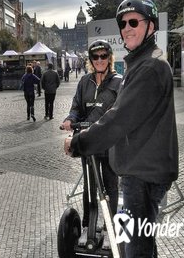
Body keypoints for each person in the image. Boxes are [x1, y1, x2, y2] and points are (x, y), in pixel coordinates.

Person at [64, 0, 179, 258]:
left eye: (133, 22)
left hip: (143, 176)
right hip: (138, 171)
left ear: (150, 26)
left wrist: (78, 142)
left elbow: (119, 118)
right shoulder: (142, 63)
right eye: (122, 23)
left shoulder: (149, 67)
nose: (126, 28)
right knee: (140, 246)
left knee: (133, 250)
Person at [61, 40, 122, 249]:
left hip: (110, 144)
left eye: (103, 56)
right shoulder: (85, 81)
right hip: (88, 141)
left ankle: (108, 228)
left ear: (109, 58)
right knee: (89, 186)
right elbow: (77, 106)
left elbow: (121, 112)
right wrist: (70, 118)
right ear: (90, 60)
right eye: (95, 57)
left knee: (110, 187)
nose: (99, 60)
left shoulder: (118, 82)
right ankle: (88, 225)